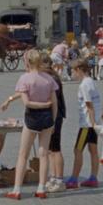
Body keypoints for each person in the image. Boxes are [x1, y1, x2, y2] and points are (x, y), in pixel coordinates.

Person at [0, 49, 56, 200]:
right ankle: (41, 188)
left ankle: (17, 189)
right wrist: (53, 120)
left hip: (32, 117)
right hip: (47, 118)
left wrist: (40, 105)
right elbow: (54, 103)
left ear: (27, 62)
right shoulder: (48, 79)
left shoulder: (24, 79)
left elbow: (27, 102)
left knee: (23, 155)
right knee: (43, 154)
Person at [66, 59, 101, 189]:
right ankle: (93, 177)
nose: (72, 74)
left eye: (73, 71)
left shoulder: (84, 85)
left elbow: (89, 105)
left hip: (87, 124)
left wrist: (91, 123)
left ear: (79, 70)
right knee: (93, 150)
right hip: (94, 121)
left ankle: (74, 179)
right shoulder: (91, 82)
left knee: (77, 150)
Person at [41, 59, 67, 193]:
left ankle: (59, 179)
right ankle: (53, 176)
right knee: (50, 149)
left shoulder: (52, 79)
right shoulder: (50, 77)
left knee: (56, 148)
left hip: (55, 116)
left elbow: (53, 100)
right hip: (51, 116)